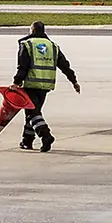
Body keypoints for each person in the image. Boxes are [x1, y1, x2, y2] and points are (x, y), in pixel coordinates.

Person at [14, 20, 80, 151]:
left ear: (32, 30)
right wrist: (74, 81)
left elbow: (23, 66)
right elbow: (64, 65)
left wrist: (16, 82)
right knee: (33, 112)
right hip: (45, 85)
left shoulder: (27, 44)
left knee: (32, 113)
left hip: (31, 84)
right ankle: (27, 140)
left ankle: (46, 135)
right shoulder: (53, 46)